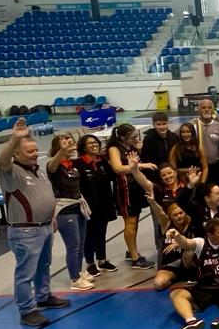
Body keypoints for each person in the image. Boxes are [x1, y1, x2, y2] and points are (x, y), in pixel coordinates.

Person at [0, 118, 69, 327]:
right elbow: (2, 161)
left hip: (44, 227)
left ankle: (43, 297)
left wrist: (52, 216)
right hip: (25, 232)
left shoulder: (37, 170)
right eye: (29, 151)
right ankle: (27, 310)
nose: (34, 153)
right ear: (16, 154)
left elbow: (44, 195)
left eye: (36, 149)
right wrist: (14, 139)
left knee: (43, 266)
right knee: (25, 272)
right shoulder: (11, 172)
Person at [47, 134, 93, 291]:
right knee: (73, 246)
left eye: (71, 143)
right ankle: (74, 279)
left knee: (80, 244)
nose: (71, 146)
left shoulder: (70, 164)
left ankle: (79, 272)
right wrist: (62, 150)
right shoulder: (53, 165)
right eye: (67, 144)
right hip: (65, 210)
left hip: (78, 207)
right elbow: (52, 165)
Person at [107, 123, 154, 269]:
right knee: (130, 222)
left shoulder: (131, 147)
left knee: (135, 220)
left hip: (135, 187)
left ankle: (131, 250)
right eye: (133, 137)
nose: (135, 139)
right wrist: (141, 166)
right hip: (124, 189)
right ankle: (134, 258)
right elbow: (118, 168)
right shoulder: (114, 149)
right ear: (122, 138)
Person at [74, 134, 118, 277]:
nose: (94, 145)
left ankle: (102, 260)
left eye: (96, 142)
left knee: (101, 233)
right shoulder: (79, 163)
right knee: (90, 235)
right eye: (90, 143)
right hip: (89, 206)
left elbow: (112, 176)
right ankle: (90, 263)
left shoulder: (102, 162)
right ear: (83, 146)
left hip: (104, 204)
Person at [147, 196, 200, 291]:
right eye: (175, 215)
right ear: (170, 216)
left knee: (189, 251)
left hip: (189, 263)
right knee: (159, 284)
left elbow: (199, 241)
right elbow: (160, 213)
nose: (179, 216)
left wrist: (178, 243)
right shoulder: (166, 224)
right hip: (171, 265)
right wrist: (152, 202)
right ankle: (175, 278)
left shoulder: (192, 223)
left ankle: (193, 275)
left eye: (181, 213)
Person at [195, 97, 219, 183]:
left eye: (209, 107)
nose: (206, 109)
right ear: (198, 109)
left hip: (215, 166)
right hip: (198, 167)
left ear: (213, 109)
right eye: (203, 107)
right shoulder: (192, 125)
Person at [140, 112, 175, 180]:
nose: (162, 127)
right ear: (153, 124)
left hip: (171, 171)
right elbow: (146, 158)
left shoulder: (174, 137)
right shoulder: (149, 139)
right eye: (158, 124)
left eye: (164, 124)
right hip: (156, 173)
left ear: (168, 123)